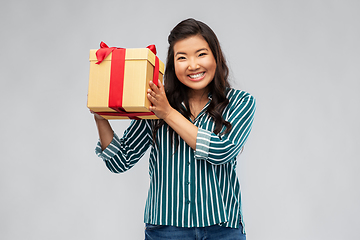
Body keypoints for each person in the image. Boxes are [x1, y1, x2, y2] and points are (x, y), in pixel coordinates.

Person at [92, 18, 256, 240]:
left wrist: (168, 113)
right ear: (172, 64)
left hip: (223, 228)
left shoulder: (240, 102)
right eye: (182, 58)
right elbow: (120, 161)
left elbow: (222, 151)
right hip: (166, 231)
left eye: (201, 54)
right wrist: (101, 114)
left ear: (216, 57)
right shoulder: (155, 103)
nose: (193, 65)